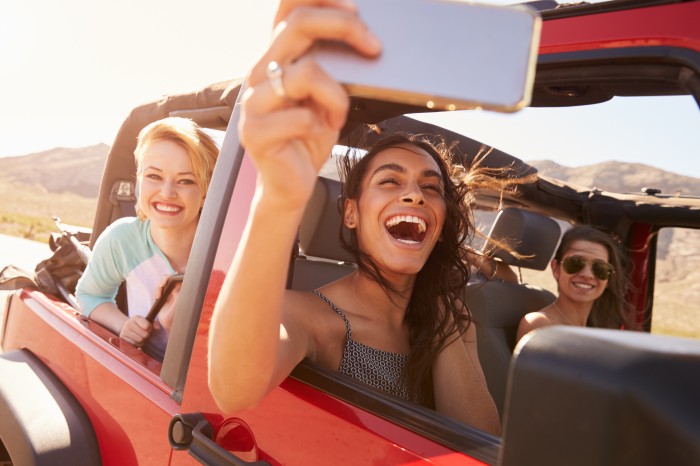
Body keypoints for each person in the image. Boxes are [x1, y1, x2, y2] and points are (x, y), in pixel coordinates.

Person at [208, 0, 504, 435]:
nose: (414, 195)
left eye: (431, 187)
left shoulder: (449, 316)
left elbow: (479, 444)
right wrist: (278, 198)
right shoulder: (311, 316)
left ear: (441, 223)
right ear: (350, 213)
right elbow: (232, 389)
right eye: (390, 181)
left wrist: (443, 314)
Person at [76, 117, 219, 360]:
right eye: (154, 176)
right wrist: (123, 325)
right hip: (149, 376)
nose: (167, 193)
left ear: (206, 192)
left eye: (186, 180)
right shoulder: (122, 239)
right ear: (138, 181)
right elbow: (90, 295)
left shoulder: (226, 250)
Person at [516, 225, 633, 343]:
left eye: (600, 268)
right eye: (575, 263)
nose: (587, 275)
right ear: (555, 268)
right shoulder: (540, 324)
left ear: (609, 278)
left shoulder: (599, 330)